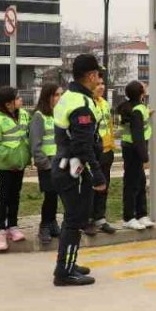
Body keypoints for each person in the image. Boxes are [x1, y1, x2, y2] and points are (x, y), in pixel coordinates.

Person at [51, 54, 105, 287]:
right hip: (74, 170)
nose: (99, 79)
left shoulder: (69, 96)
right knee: (75, 220)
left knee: (71, 219)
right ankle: (64, 273)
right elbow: (83, 146)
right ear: (91, 75)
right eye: (98, 75)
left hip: (64, 166)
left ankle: (68, 264)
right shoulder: (81, 104)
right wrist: (97, 175)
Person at [0, 86, 31, 252]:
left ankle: (13, 226)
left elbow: (27, 137)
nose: (21, 100)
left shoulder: (25, 115)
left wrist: (26, 158)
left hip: (20, 164)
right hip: (6, 166)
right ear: (8, 104)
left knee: (15, 195)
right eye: (17, 98)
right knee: (3, 197)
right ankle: (0, 231)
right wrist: (10, 159)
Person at [29, 82, 64, 246]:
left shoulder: (59, 114)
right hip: (48, 163)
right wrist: (45, 163)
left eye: (61, 94)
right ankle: (44, 225)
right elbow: (35, 144)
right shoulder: (39, 116)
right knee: (49, 195)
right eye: (57, 95)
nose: (60, 98)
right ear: (48, 97)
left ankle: (52, 223)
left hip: (59, 161)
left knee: (55, 194)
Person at [118, 80, 153, 230]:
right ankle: (129, 217)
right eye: (144, 87)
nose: (146, 87)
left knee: (140, 182)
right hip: (134, 149)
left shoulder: (130, 107)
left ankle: (141, 214)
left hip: (131, 148)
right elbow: (138, 135)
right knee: (132, 184)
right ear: (141, 93)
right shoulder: (137, 110)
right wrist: (145, 158)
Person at [87, 76, 117, 235]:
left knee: (104, 186)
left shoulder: (104, 103)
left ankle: (100, 217)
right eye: (97, 84)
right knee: (91, 186)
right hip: (93, 152)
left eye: (102, 84)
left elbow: (109, 126)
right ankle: (88, 219)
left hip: (106, 150)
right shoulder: (87, 103)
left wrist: (111, 145)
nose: (101, 87)